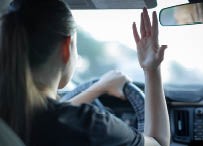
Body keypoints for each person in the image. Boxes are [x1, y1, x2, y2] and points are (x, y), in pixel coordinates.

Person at [0, 0, 170, 146]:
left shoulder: (8, 117)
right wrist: (151, 69)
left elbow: (51, 113)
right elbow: (158, 142)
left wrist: (100, 87)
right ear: (66, 48)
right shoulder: (91, 125)